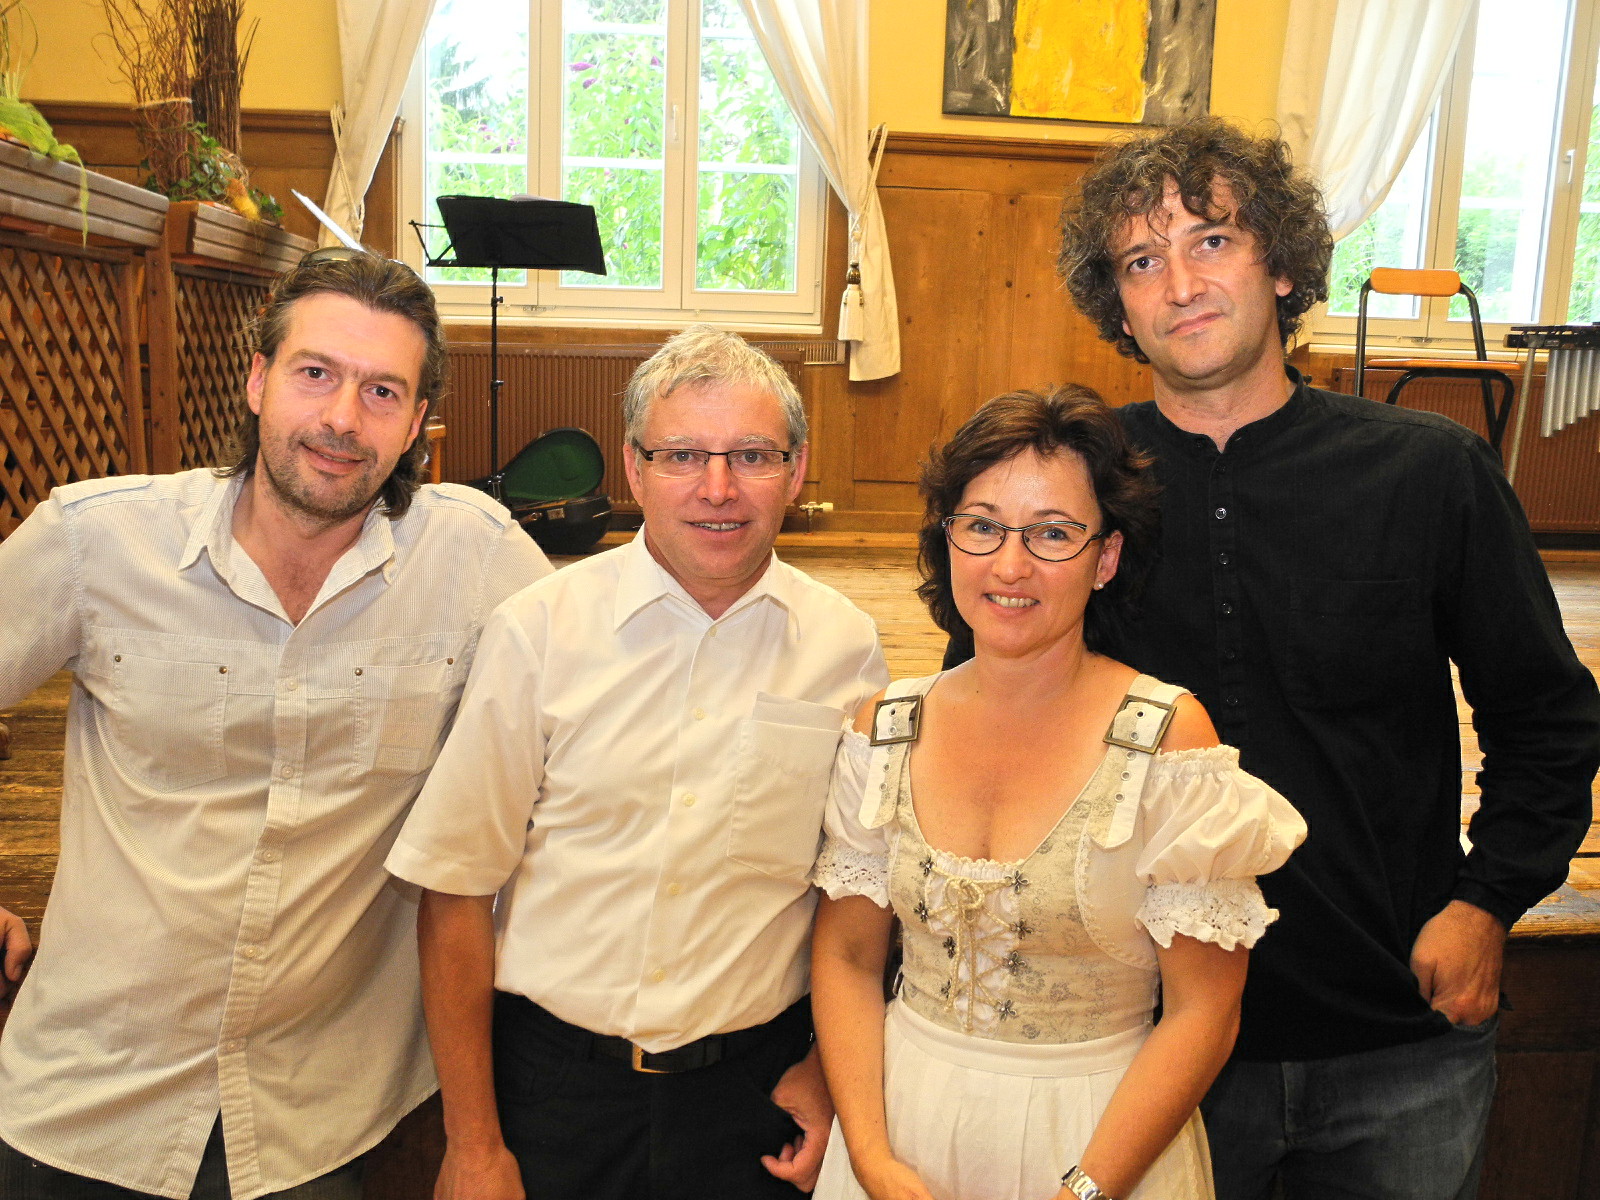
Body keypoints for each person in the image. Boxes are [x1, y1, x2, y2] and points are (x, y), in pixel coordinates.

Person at [1018, 117, 1599, 1199]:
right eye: (1141, 261)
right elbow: (991, 715)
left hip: (1395, 1029)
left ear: (1281, 266)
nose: (1179, 284)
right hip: (1146, 1039)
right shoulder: (1074, 486)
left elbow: (1546, 717)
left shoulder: (1429, 473)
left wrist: (1487, 900)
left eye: (1212, 241)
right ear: (1117, 305)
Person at [0, 250, 553, 1200]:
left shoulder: (473, 557)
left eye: (382, 391)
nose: (343, 418)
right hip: (89, 1098)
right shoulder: (96, 541)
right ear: (258, 381)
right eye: (316, 373)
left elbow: (598, 713)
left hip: (320, 1120)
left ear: (418, 424)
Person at [385, 325, 890, 1200]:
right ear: (633, 468)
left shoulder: (844, 647)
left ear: (797, 470)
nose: (718, 488)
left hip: (757, 1096)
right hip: (555, 1095)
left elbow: (853, 891)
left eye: (753, 456)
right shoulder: (538, 631)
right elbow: (455, 890)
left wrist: (825, 1068)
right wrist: (472, 1144)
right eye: (682, 455)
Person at [811, 386, 1306, 1200]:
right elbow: (847, 957)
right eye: (982, 526)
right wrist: (869, 1156)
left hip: (1100, 1143)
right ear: (947, 538)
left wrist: (1085, 1190)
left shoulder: (1167, 738)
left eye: (1052, 533)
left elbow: (1204, 1013)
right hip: (899, 1126)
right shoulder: (888, 726)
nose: (1010, 566)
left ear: (1105, 558)